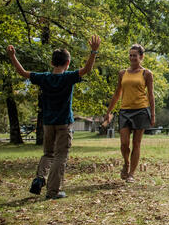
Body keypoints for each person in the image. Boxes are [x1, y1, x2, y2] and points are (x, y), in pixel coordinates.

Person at [7, 36, 101, 200]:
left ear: (52, 63)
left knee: (47, 153)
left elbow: (22, 72)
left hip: (48, 123)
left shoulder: (44, 77)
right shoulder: (68, 77)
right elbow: (86, 69)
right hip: (64, 123)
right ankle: (53, 191)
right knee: (60, 156)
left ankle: (39, 178)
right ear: (68, 63)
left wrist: (12, 56)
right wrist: (93, 51)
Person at [104, 44, 154, 183]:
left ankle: (131, 173)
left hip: (141, 110)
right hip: (125, 111)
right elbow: (116, 94)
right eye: (130, 55)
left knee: (136, 143)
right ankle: (126, 163)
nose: (132, 58)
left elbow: (151, 95)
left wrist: (153, 115)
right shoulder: (122, 73)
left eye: (135, 55)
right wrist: (109, 111)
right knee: (124, 144)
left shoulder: (146, 74)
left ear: (141, 57)